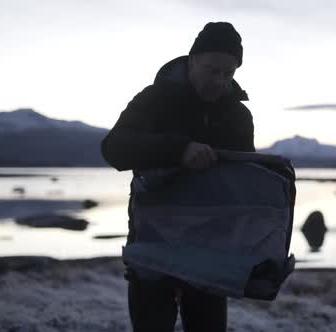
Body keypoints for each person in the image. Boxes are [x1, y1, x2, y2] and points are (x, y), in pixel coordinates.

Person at [101, 22, 254, 332]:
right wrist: (178, 150)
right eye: (212, 70)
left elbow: (244, 182)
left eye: (228, 74)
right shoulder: (153, 98)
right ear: (192, 59)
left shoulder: (238, 114)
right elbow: (113, 148)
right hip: (152, 244)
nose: (220, 81)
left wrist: (261, 253)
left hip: (210, 250)